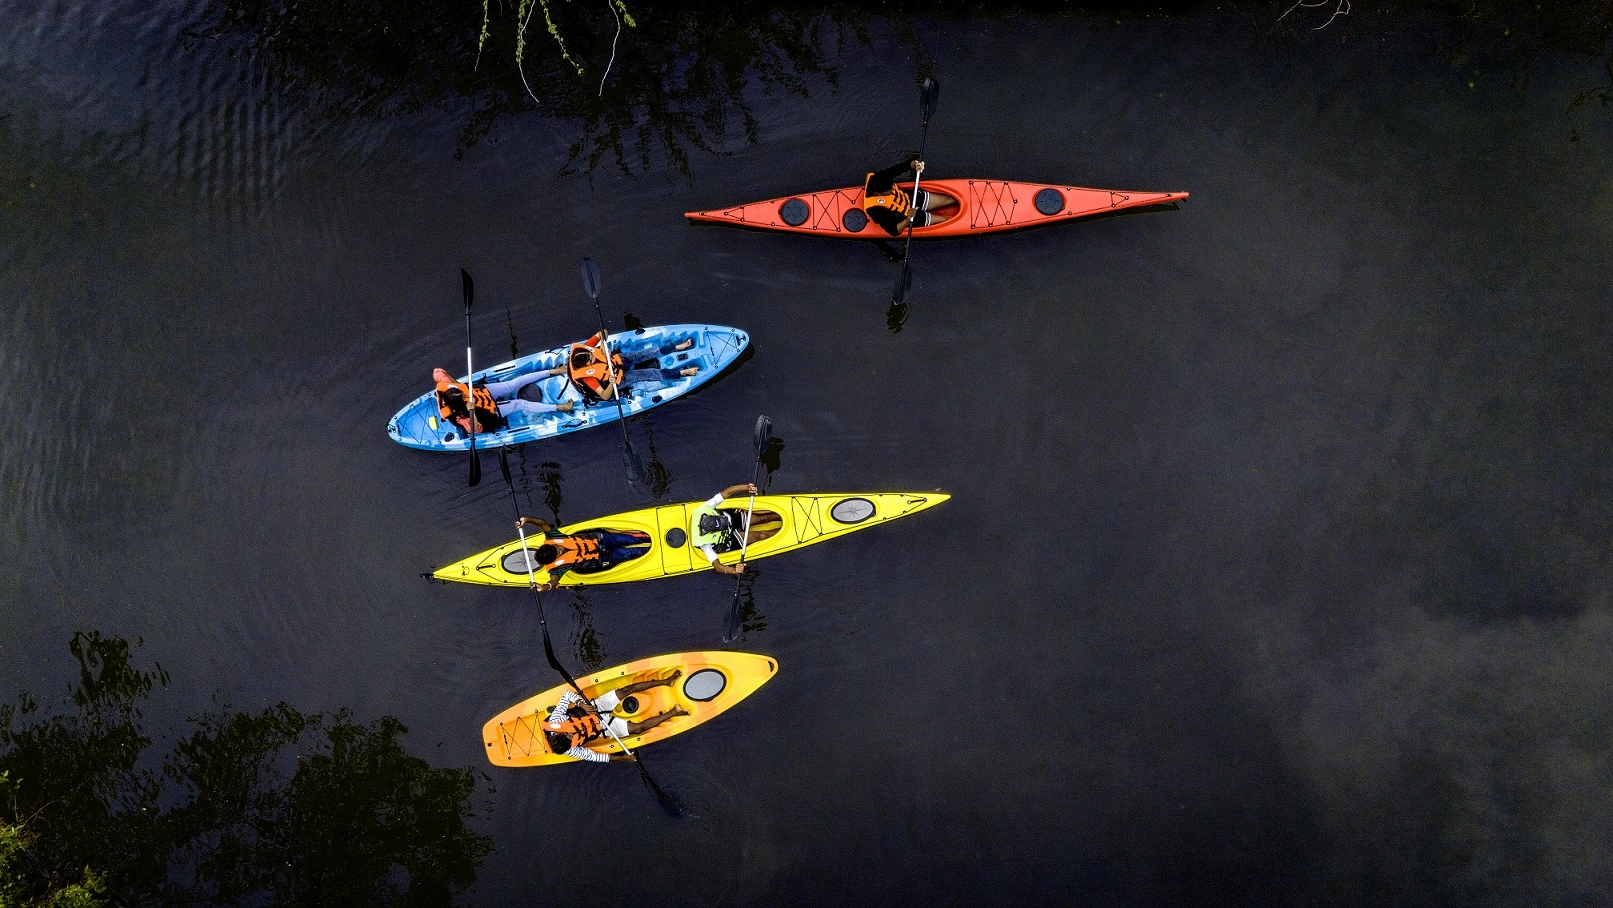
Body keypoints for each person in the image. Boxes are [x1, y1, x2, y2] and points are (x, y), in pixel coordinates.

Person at [543, 671, 688, 763]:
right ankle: (674, 712)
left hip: (594, 708)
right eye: (570, 737)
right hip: (603, 727)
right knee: (638, 729)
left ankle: (667, 681)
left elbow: (566, 696)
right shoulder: (570, 749)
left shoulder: (556, 720)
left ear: (558, 733)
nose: (571, 734)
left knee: (627, 689)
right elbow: (594, 756)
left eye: (567, 733)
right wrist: (622, 758)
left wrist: (581, 704)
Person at [514, 516, 651, 589]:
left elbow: (542, 523)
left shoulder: (552, 537)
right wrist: (545, 587)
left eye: (557, 547)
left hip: (600, 539)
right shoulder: (556, 570)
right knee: (627, 554)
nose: (560, 549)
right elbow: (554, 581)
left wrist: (527, 520)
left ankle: (647, 537)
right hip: (601, 559)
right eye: (558, 552)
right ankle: (646, 551)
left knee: (628, 538)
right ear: (554, 559)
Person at [432, 365, 573, 435]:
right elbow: (474, 429)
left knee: (514, 384)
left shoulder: (447, 388)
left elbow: (439, 373)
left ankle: (553, 371)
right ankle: (561, 407)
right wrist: (472, 412)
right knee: (520, 403)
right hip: (488, 412)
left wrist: (452, 379)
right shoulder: (459, 417)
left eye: (462, 393)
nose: (464, 394)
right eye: (463, 397)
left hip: (482, 392)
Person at [568, 331, 700, 403]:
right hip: (615, 380)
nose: (593, 356)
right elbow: (605, 396)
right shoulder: (588, 378)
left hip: (615, 361)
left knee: (644, 353)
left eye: (591, 354)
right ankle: (681, 373)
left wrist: (602, 345)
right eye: (591, 359)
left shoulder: (584, 349)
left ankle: (676, 347)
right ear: (586, 365)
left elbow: (603, 333)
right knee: (647, 374)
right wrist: (611, 383)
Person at [688, 483, 776, 576]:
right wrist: (734, 570)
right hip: (729, 538)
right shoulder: (704, 545)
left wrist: (747, 487)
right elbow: (717, 566)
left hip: (729, 519)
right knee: (763, 535)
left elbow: (727, 492)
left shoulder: (705, 508)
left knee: (764, 518)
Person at [862, 157, 954, 237]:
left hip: (912, 198)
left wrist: (914, 164)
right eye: (888, 191)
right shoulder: (875, 209)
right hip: (909, 216)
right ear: (877, 193)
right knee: (945, 220)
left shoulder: (880, 177)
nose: (892, 190)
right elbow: (894, 231)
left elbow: (901, 167)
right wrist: (908, 218)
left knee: (948, 199)